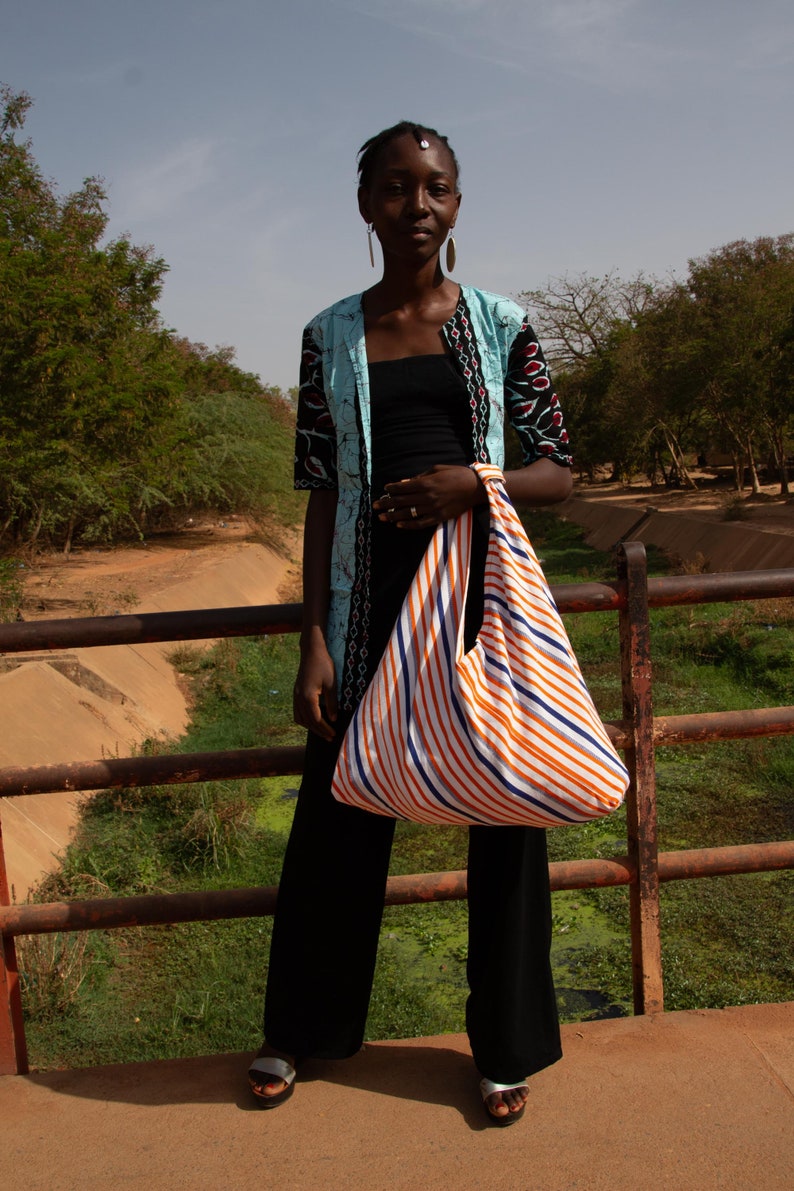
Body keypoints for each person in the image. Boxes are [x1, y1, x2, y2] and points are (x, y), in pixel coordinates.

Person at [248, 120, 573, 1126]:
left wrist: (466, 485)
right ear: (366, 205)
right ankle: (302, 1032)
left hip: (477, 606)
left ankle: (503, 1050)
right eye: (397, 188)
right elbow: (316, 492)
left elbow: (557, 471)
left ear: (456, 203)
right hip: (362, 610)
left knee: (506, 814)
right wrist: (311, 635)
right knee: (338, 813)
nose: (417, 206)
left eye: (435, 187)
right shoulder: (326, 336)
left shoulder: (500, 325)